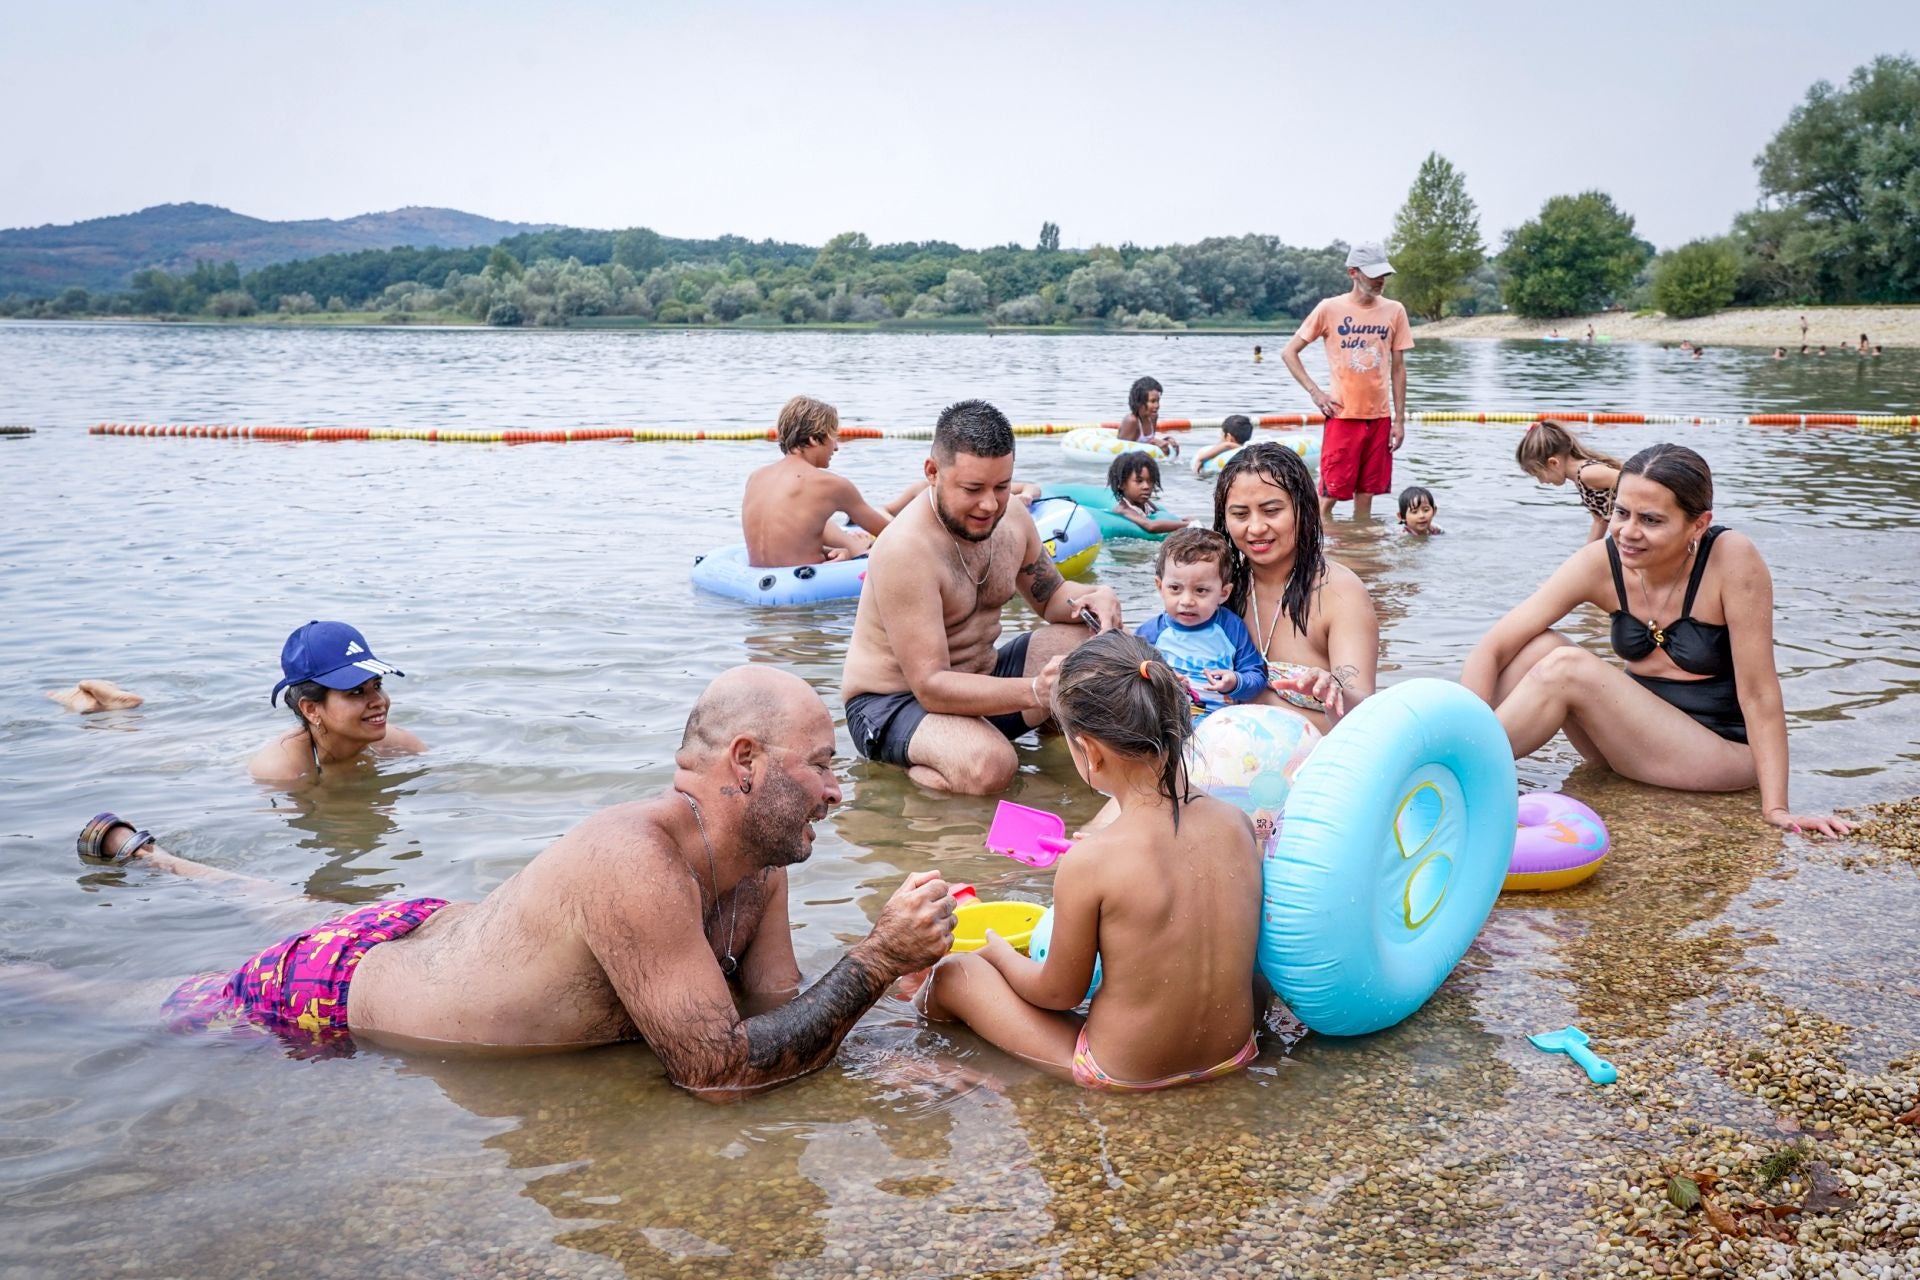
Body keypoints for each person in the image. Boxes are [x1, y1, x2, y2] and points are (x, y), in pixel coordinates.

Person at [81, 667, 960, 1092]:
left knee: (291, 906)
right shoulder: (636, 859)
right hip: (332, 988)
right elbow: (718, 1071)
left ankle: (152, 857)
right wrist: (876, 959)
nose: (838, 790)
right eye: (821, 765)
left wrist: (887, 1053)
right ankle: (74, 929)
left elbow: (780, 1012)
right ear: (745, 762)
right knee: (124, 1010)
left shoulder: (759, 864)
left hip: (433, 929)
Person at [915, 633, 1261, 1092]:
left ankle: (919, 1053)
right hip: (1234, 1053)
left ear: (1090, 752)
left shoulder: (1091, 861)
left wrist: (999, 952)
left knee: (953, 976)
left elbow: (1058, 994)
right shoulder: (1238, 824)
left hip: (1123, 1073)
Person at [1461, 444, 1851, 837]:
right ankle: (1456, 754)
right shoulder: (1602, 561)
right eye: (1621, 513)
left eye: (1651, 520)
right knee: (1537, 648)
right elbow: (1493, 648)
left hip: (1720, 753)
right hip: (1632, 745)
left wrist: (1777, 808)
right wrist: (1460, 724)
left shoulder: (1731, 559)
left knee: (1566, 667)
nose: (1629, 532)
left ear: (1698, 525)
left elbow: (1759, 693)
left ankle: (1457, 777)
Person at [841, 400, 1124, 795]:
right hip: (894, 704)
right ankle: (913, 777)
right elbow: (930, 686)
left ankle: (1047, 748)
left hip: (983, 681)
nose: (990, 504)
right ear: (932, 473)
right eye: (973, 489)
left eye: (1002, 487)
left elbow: (1052, 597)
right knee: (992, 766)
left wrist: (1097, 596)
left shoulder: (1013, 520)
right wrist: (1035, 691)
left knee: (1094, 648)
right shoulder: (907, 550)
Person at [1212, 442, 1379, 727]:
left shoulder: (1340, 592)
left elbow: (1365, 718)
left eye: (1271, 511)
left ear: (1303, 508)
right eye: (1240, 514)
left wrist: (1334, 690)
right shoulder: (1215, 590)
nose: (1256, 528)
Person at [1281, 240, 1413, 520]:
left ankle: (1361, 544)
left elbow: (1399, 368)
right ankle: (1313, 543)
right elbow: (1289, 353)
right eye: (1373, 274)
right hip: (1343, 415)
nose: (1380, 280)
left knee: (1366, 495)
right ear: (1353, 273)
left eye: (1383, 274)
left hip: (1380, 418)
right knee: (1329, 494)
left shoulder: (1395, 310)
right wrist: (1316, 393)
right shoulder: (1329, 308)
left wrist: (1399, 420)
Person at [250, 621, 424, 784]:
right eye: (357, 691)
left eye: (377, 685)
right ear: (311, 709)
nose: (379, 701)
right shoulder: (282, 773)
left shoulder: (398, 745)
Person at [741, 396, 893, 567]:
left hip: (757, 577)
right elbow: (894, 534)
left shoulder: (756, 477)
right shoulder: (832, 485)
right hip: (806, 582)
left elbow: (785, 545)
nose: (836, 447)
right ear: (814, 439)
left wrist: (840, 551)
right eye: (833, 437)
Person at [1135, 528, 1268, 714]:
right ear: (1160, 586)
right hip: (1165, 722)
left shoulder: (1231, 628)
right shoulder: (1149, 633)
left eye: (1201, 590)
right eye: (1175, 588)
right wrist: (1158, 679)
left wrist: (1235, 682)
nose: (1187, 601)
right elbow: (1129, 675)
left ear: (1223, 593)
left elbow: (1257, 676)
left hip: (1219, 722)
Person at [1515, 418, 1622, 543]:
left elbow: (1635, 482)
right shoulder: (1580, 480)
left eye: (1539, 475)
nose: (1541, 482)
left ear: (1553, 463)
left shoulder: (1588, 473)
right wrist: (1585, 553)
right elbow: (1600, 520)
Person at [1104, 452, 1188, 534]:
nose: (1146, 486)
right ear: (1122, 484)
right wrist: (1189, 524)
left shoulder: (1148, 505)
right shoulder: (1123, 509)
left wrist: (1183, 520)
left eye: (1150, 481)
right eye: (1139, 481)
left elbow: (1163, 517)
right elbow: (1151, 526)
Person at [1116, 376, 1179, 456]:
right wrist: (1151, 442)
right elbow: (1120, 453)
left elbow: (1147, 442)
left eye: (1158, 401)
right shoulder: (1132, 421)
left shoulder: (1152, 417)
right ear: (1140, 402)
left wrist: (1167, 441)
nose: (1157, 406)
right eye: (1152, 401)